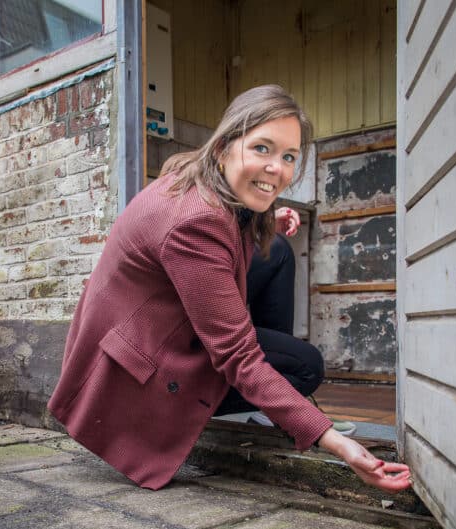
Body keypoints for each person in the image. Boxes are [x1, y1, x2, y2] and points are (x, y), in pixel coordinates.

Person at [47, 84, 411, 493]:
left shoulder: (193, 172)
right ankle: (280, 398)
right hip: (133, 376)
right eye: (262, 148)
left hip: (151, 328)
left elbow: (229, 218)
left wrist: (268, 214)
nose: (277, 168)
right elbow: (237, 355)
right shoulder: (194, 224)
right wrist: (335, 442)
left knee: (278, 255)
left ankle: (275, 399)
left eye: (288, 156)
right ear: (223, 147)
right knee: (304, 367)